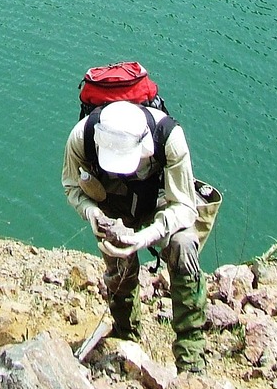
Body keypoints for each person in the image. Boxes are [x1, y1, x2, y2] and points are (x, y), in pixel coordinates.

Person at [62, 99, 207, 372]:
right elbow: (72, 187)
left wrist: (145, 237)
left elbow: (185, 207)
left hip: (160, 201)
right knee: (119, 266)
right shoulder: (82, 137)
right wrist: (94, 214)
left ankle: (191, 358)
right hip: (110, 203)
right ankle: (125, 335)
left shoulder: (170, 138)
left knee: (184, 245)